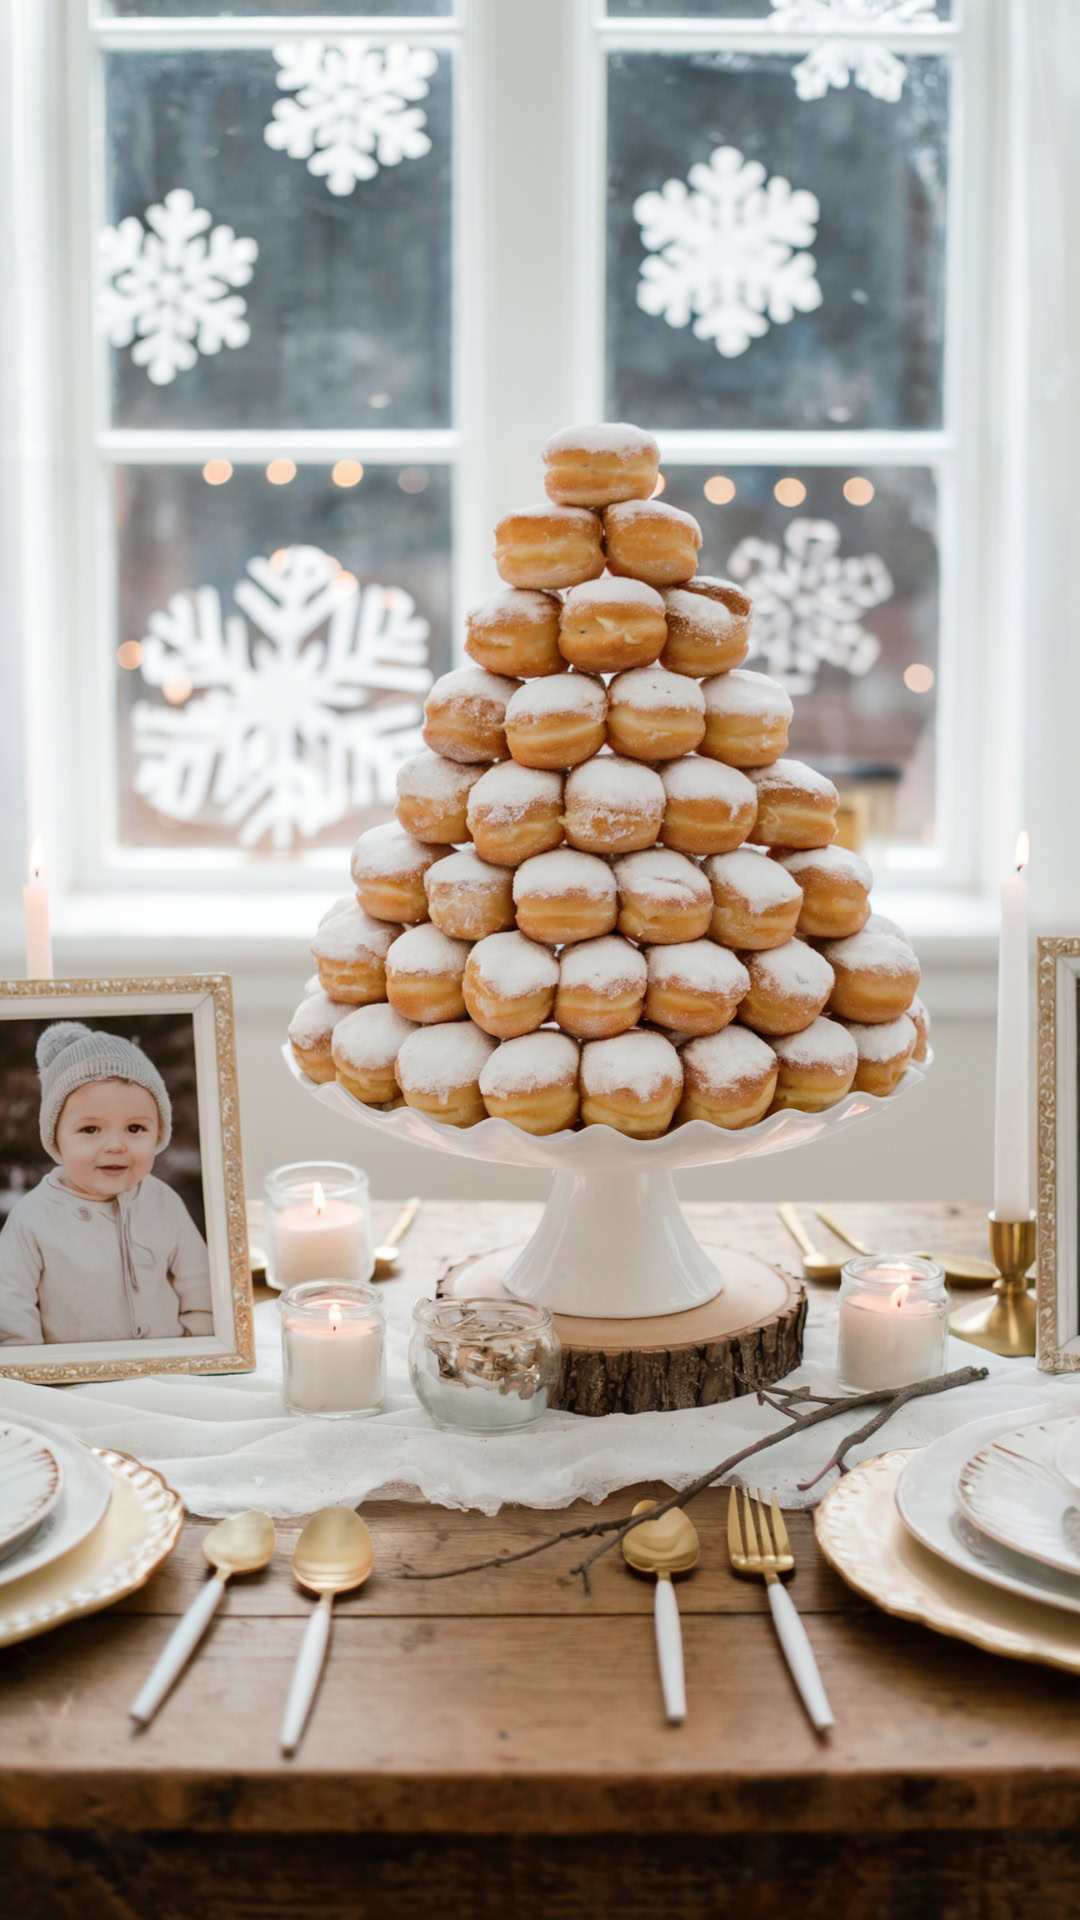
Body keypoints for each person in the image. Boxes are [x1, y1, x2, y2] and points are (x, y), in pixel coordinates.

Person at [0, 1021, 213, 1346]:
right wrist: (33, 1371)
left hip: (168, 1368)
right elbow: (10, 1307)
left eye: (134, 1128)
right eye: (90, 1130)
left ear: (159, 1132)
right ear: (56, 1138)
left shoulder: (163, 1201)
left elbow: (202, 1286)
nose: (115, 1146)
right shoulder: (32, 1217)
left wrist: (202, 1345)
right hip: (73, 1379)